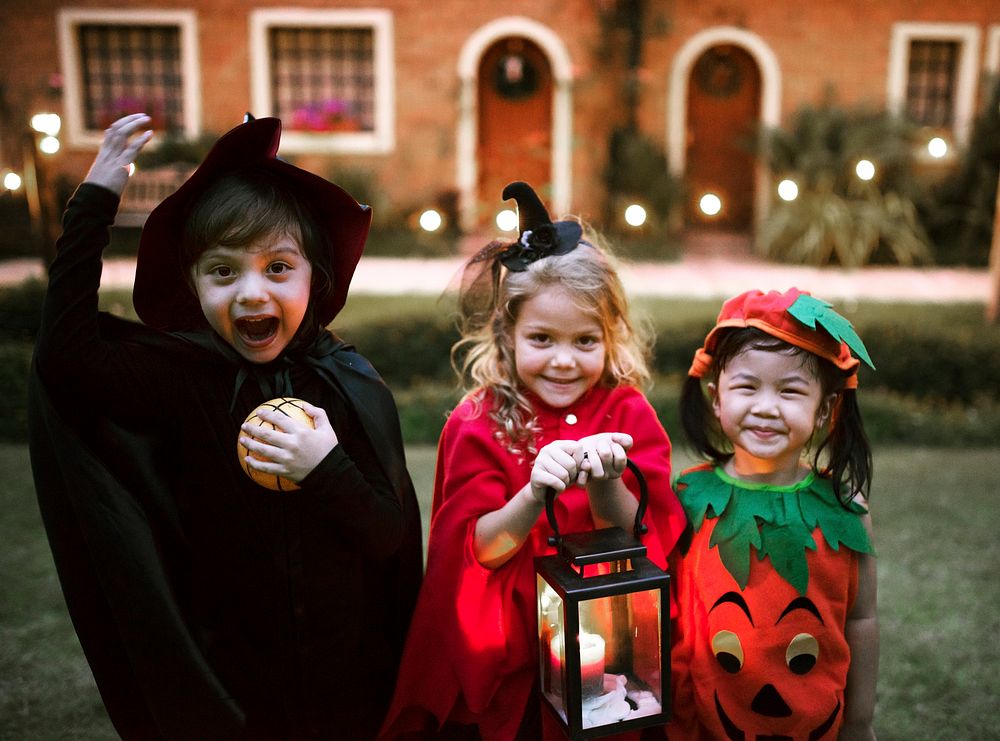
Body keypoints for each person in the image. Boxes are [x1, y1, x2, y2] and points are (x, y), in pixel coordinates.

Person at [28, 113, 423, 740]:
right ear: (192, 283)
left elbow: (386, 536)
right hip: (235, 685)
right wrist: (98, 195)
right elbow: (65, 359)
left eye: (277, 268)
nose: (249, 294)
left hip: (346, 680)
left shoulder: (344, 384)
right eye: (222, 271)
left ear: (314, 278)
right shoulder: (180, 379)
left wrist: (326, 467)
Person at [379, 182, 686, 740]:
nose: (563, 361)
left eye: (585, 341)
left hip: (607, 662)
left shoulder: (628, 412)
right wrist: (531, 496)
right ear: (508, 333)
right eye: (542, 338)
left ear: (609, 335)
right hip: (511, 664)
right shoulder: (478, 422)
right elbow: (475, 550)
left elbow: (645, 535)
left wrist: (607, 482)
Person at [667, 288, 879, 740]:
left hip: (811, 720)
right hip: (708, 720)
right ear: (716, 397)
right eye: (747, 386)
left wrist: (859, 723)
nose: (766, 407)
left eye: (790, 391)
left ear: (824, 409)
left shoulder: (846, 511)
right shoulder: (688, 498)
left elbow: (861, 619)